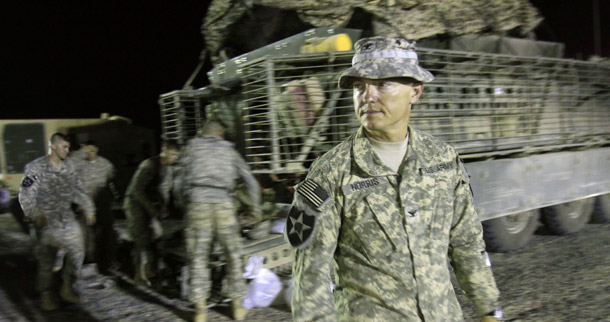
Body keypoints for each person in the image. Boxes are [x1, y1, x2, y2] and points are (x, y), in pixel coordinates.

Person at [285, 37, 503, 322]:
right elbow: (310, 276)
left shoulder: (442, 159)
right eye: (359, 86)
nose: (368, 96)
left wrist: (489, 309)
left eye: (382, 84)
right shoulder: (329, 173)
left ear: (415, 92)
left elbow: (467, 243)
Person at [180, 121, 261, 322]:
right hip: (224, 205)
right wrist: (256, 208)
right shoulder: (229, 151)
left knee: (198, 258)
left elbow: (178, 181)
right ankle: (237, 308)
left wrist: (185, 203)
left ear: (202, 133)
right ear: (221, 134)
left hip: (197, 204)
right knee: (233, 256)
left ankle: (200, 311)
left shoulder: (191, 148)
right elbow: (250, 180)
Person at [18, 133, 96, 311]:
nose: (67, 151)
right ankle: (46, 294)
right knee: (47, 258)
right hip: (45, 219)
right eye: (64, 147)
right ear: (53, 146)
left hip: (66, 218)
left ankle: (67, 286)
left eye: (68, 147)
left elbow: (78, 190)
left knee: (78, 251)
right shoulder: (36, 167)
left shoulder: (69, 166)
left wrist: (89, 208)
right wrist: (35, 214)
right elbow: (25, 194)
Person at [123, 139, 181, 286]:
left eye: (176, 155)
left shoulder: (167, 168)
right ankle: (138, 275)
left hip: (149, 203)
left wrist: (163, 206)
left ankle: (151, 270)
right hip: (135, 204)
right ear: (164, 150)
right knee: (141, 239)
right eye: (172, 154)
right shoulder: (149, 165)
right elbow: (137, 190)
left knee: (156, 235)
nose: (175, 158)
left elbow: (160, 190)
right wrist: (150, 208)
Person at [71, 140, 117, 272]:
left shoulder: (105, 164)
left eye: (92, 151)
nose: (89, 154)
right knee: (86, 233)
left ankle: (106, 262)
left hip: (101, 199)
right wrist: (81, 152)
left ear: (97, 150)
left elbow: (111, 179)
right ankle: (86, 261)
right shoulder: (79, 163)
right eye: (87, 151)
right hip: (84, 201)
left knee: (106, 232)